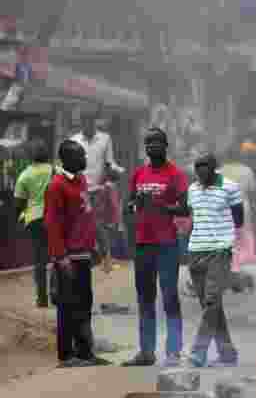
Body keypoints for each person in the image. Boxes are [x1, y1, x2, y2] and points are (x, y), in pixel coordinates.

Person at [168, 153, 243, 368]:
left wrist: (223, 234)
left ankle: (198, 352)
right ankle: (227, 353)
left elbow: (239, 220)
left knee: (211, 302)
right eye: (197, 167)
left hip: (219, 251)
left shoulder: (230, 187)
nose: (200, 171)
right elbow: (188, 213)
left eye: (204, 167)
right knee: (211, 306)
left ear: (214, 168)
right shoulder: (192, 189)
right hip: (195, 251)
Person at [122, 127, 189, 367]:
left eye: (157, 142)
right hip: (143, 244)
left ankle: (173, 352)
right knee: (145, 299)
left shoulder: (175, 175)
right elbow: (127, 208)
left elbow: (184, 208)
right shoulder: (138, 174)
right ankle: (146, 352)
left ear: (165, 146)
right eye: (148, 143)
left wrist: (162, 206)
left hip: (167, 245)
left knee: (170, 297)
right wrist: (135, 205)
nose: (152, 147)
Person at [45, 139, 108, 367]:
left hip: (83, 255)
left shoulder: (81, 180)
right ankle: (66, 355)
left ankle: (85, 352)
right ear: (68, 159)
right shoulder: (56, 186)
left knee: (83, 304)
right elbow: (52, 225)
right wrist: (61, 257)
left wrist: (95, 247)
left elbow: (85, 216)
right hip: (68, 258)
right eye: (80, 156)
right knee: (67, 306)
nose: (85, 159)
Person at [71, 111, 124, 273]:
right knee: (81, 224)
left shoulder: (105, 138)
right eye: (84, 121)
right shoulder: (74, 140)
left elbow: (109, 162)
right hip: (80, 190)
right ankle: (86, 257)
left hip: (98, 189)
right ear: (81, 123)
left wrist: (115, 172)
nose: (87, 124)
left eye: (90, 121)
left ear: (94, 122)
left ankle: (106, 259)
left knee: (98, 224)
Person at [14, 139, 54, 308]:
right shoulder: (55, 170)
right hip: (54, 217)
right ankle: (57, 293)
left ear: (31, 156)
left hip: (35, 219)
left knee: (39, 259)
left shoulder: (24, 175)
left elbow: (19, 204)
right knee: (58, 256)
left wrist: (22, 216)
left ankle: (42, 298)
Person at [220, 145, 256, 270]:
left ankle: (230, 259)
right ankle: (248, 258)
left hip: (226, 205)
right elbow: (252, 189)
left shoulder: (219, 172)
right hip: (242, 203)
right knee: (245, 231)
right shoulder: (246, 170)